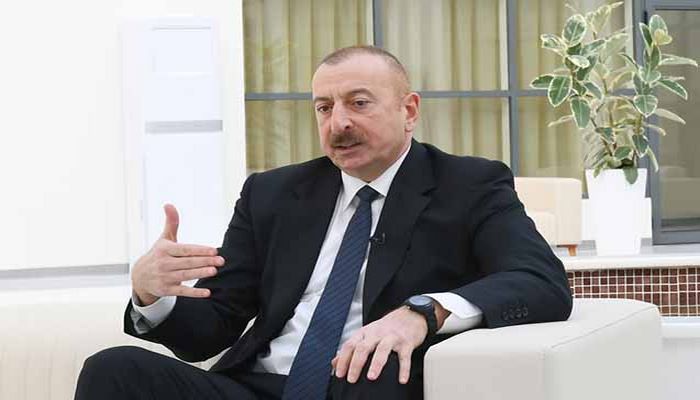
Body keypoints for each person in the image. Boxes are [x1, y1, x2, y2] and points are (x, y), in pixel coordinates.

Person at [75, 46, 572, 400]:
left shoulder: (469, 184)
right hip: (258, 386)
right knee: (114, 369)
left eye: (359, 103)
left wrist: (423, 312)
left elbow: (540, 280)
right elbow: (211, 330)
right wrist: (152, 295)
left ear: (409, 110)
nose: (339, 123)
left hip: (364, 386)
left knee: (376, 367)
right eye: (324, 107)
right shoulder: (272, 194)